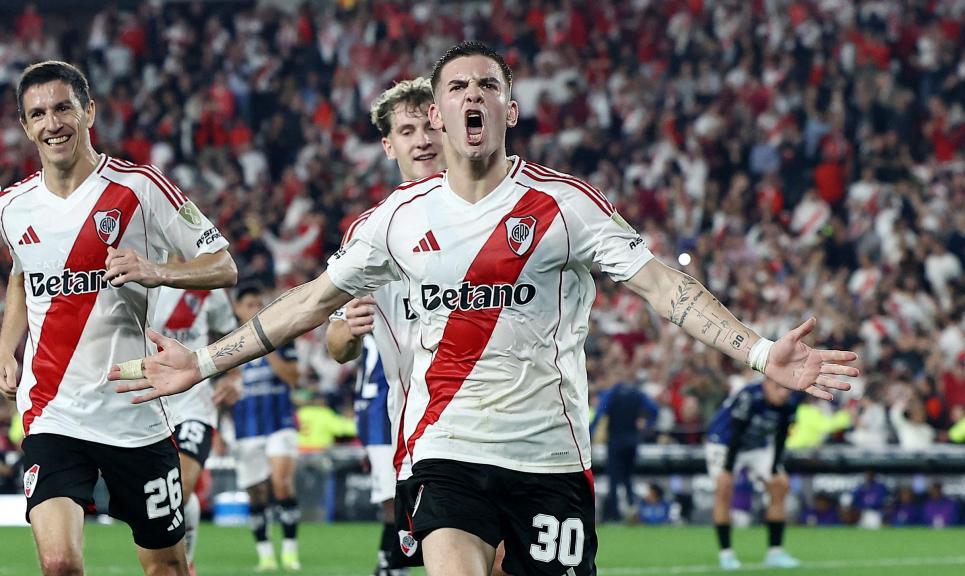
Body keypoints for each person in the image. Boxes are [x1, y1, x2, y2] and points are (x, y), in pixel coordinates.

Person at [111, 41, 859, 576]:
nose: (472, 97)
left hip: (549, 458)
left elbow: (664, 286)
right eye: (458, 88)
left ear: (509, 105)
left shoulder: (564, 206)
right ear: (436, 114)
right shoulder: (394, 221)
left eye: (487, 86)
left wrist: (761, 353)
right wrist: (203, 363)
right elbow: (309, 304)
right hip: (445, 452)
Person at [0, 61, 236, 576]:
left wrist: (156, 270)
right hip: (52, 412)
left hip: (134, 412)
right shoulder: (13, 206)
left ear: (89, 111)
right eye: (37, 113)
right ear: (24, 126)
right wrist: (5, 349)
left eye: (63, 107)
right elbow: (21, 276)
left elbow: (223, 264)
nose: (52, 123)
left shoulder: (141, 187)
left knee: (167, 567)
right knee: (59, 564)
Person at [324, 77, 445, 576]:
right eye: (407, 129)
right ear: (388, 144)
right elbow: (334, 344)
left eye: (429, 126)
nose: (422, 140)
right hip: (421, 423)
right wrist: (348, 328)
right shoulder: (372, 231)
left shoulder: (501, 208)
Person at [152, 286, 237, 573]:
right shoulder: (139, 278)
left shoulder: (208, 286)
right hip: (149, 405)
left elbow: (231, 333)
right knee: (158, 498)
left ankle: (186, 562)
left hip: (194, 405)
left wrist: (234, 377)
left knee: (180, 487)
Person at [223, 285, 302, 571]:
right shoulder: (228, 342)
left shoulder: (281, 335)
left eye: (259, 303)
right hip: (247, 426)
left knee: (281, 483)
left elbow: (294, 377)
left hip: (279, 422)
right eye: (250, 305)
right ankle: (265, 554)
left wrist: (265, 345)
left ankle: (291, 552)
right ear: (238, 309)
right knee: (256, 492)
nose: (255, 309)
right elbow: (225, 386)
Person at [704, 378, 802, 570]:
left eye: (786, 389)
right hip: (724, 442)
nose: (783, 393)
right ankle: (726, 554)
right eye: (778, 388)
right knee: (723, 489)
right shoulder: (750, 396)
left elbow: (782, 434)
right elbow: (736, 432)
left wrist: (774, 468)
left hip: (757, 445)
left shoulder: (789, 402)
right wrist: (727, 470)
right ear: (767, 384)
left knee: (780, 484)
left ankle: (775, 552)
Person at [589, 379, 659, 522]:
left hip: (615, 441)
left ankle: (615, 514)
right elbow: (654, 410)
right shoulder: (637, 394)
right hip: (632, 441)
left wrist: (589, 433)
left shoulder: (612, 394)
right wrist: (646, 424)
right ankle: (631, 509)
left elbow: (599, 413)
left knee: (613, 479)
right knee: (628, 477)